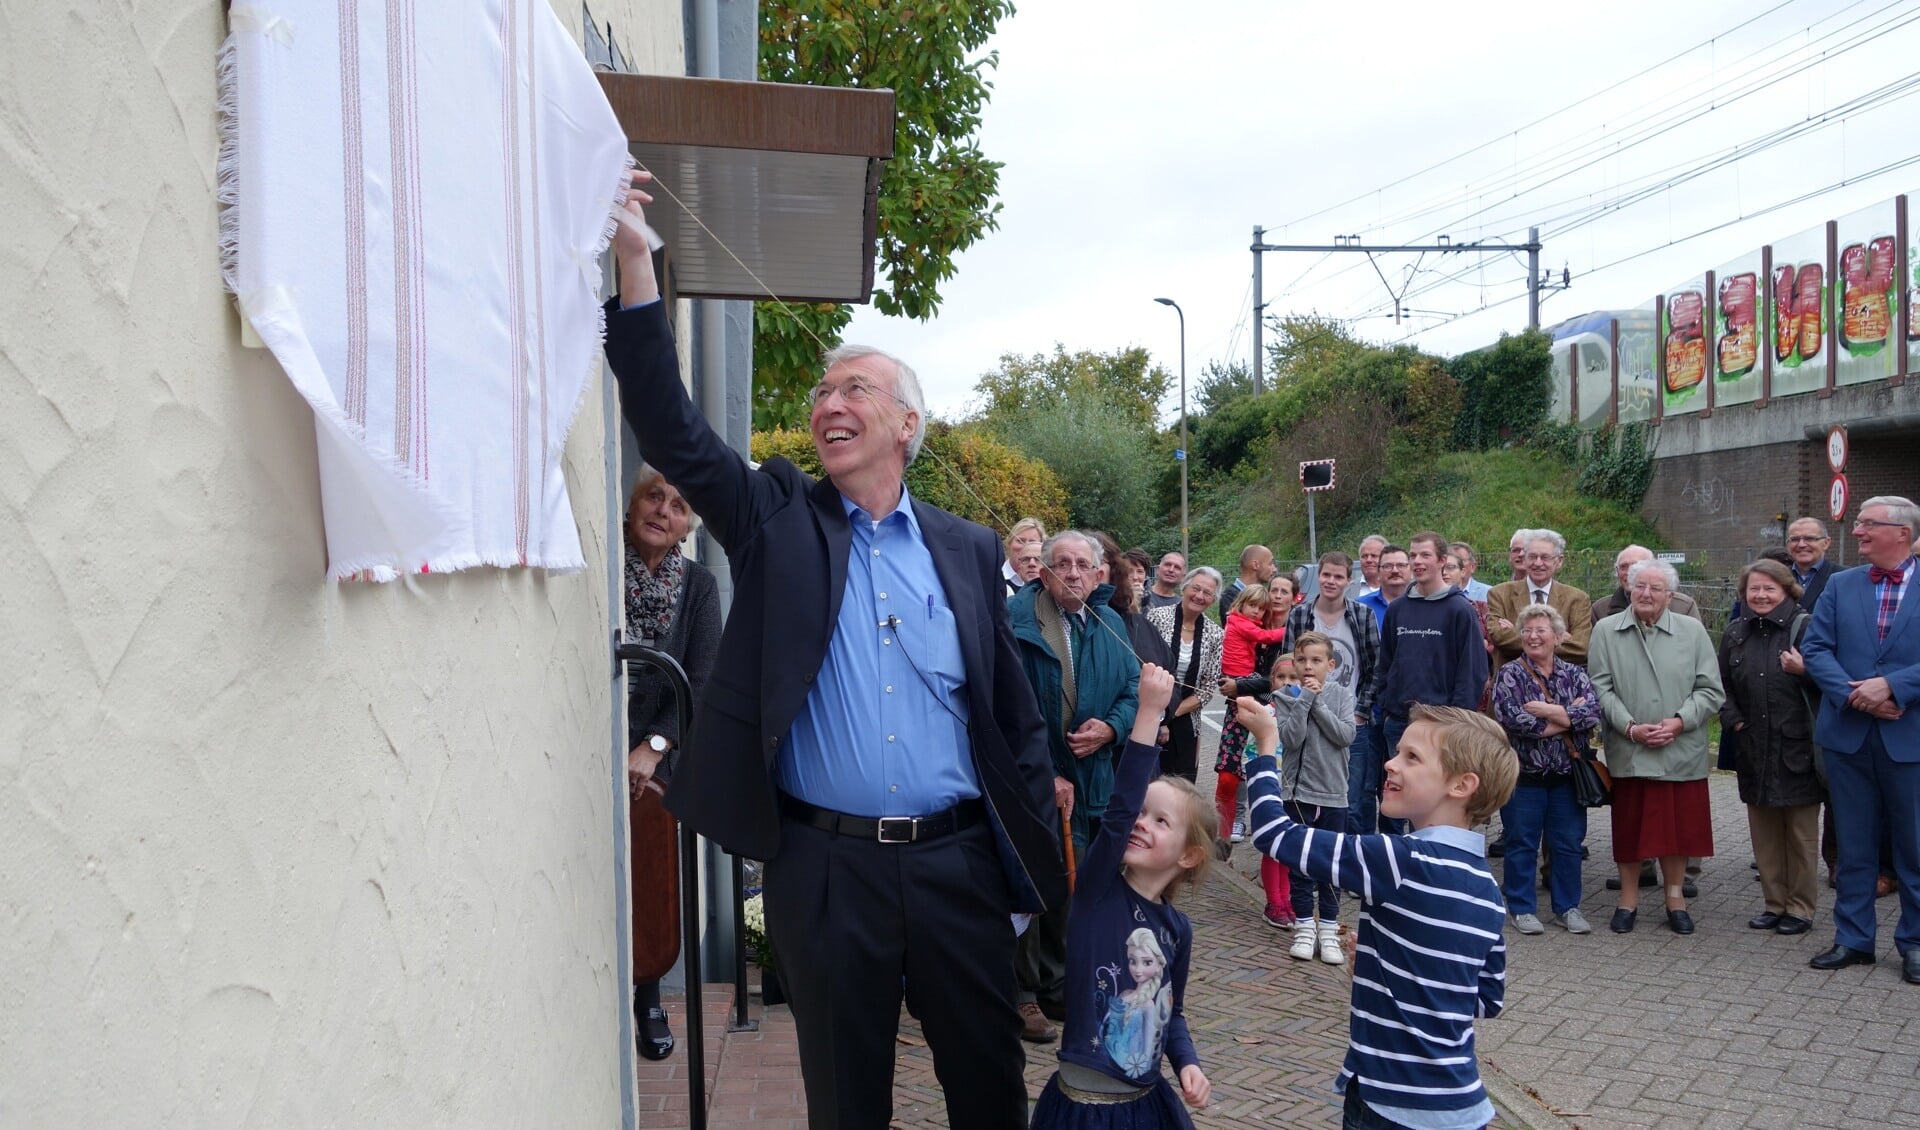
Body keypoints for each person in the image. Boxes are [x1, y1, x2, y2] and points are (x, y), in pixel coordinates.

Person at [605, 173, 1064, 1128]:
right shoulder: (777, 517)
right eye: (822, 390)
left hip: (956, 868)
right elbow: (671, 429)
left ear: (907, 424)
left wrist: (1012, 880)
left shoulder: (970, 552)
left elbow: (1012, 721)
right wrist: (636, 259)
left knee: (989, 1092)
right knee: (846, 1107)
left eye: (855, 386)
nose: (828, 401)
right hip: (826, 871)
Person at [1245, 700, 1517, 1130]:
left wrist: (1265, 745)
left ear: (1462, 785)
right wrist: (1389, 965)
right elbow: (1487, 999)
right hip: (1461, 1107)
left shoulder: (1398, 860)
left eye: (1412, 757)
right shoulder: (1488, 890)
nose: (1390, 762)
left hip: (1392, 1105)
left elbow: (1273, 833)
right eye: (1398, 752)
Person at [1030, 665, 1213, 1127]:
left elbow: (1173, 1014)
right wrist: (1148, 711)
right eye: (1141, 812)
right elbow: (1118, 811)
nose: (1140, 822)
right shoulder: (1097, 893)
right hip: (1083, 1108)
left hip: (1147, 1106)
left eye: (1161, 821)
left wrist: (1187, 1063)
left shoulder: (1178, 930)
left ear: (1189, 856)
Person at [1010, 530, 1142, 1042]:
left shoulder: (1109, 624)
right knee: (1032, 887)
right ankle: (1022, 995)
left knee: (1076, 885)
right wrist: (1047, 771)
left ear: (1097, 573)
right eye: (1061, 564)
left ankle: (1060, 986)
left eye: (1082, 565)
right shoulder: (1017, 622)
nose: (1072, 572)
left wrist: (1112, 727)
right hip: (1031, 781)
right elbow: (1007, 708)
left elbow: (1132, 688)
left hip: (1094, 781)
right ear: (1042, 572)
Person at [621, 466, 722, 1062]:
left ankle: (649, 992)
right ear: (632, 505)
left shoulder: (699, 585)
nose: (664, 510)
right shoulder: (606, 568)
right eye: (653, 496)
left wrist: (652, 748)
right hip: (588, 744)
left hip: (658, 758)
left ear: (688, 525)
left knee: (650, 873)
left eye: (679, 504)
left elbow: (703, 682)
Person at [1801, 496, 1920, 984]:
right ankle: (1853, 939)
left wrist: (1894, 687)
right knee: (1853, 846)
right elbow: (1815, 647)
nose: (1858, 531)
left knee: (1913, 847)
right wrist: (1859, 697)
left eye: (1869, 524)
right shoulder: (1841, 584)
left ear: (1904, 534)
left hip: (1908, 738)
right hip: (1848, 738)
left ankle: (1913, 942)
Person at [1589, 559, 1725, 937]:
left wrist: (1680, 721)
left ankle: (1675, 898)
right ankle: (1627, 899)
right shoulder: (1606, 630)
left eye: (1656, 588)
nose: (1646, 594)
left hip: (1680, 749)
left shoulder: (1692, 630)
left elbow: (1711, 689)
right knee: (1630, 828)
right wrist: (1630, 728)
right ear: (1629, 589)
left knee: (1679, 831)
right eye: (1639, 586)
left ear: (1670, 595)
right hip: (1630, 749)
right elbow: (1599, 687)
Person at [1718, 559, 1823, 938]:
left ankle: (1800, 907)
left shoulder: (1806, 627)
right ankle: (1773, 904)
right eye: (1753, 589)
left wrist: (1805, 670)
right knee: (1764, 835)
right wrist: (1734, 721)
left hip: (1797, 748)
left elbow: (1832, 678)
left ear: (1786, 591)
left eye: (1769, 589)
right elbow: (1722, 685)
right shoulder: (1735, 633)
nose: (1760, 595)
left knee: (1800, 835)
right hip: (1752, 746)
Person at [1489, 604, 1601, 936]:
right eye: (1527, 630)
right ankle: (1522, 908)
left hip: (1568, 777)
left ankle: (1568, 907)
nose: (1533, 636)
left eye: (1541, 630)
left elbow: (1594, 714)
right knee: (1521, 842)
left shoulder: (1575, 673)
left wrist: (1549, 711)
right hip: (1524, 777)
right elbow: (1514, 720)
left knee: (1567, 843)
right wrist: (1567, 716)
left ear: (1558, 637)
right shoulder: (1511, 674)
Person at [1374, 532, 1489, 835]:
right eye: (1413, 556)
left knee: (1435, 801)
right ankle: (1395, 867)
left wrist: (1454, 721)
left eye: (1425, 555)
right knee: (1396, 798)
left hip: (1442, 728)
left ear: (1442, 561)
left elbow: (1473, 672)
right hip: (1399, 723)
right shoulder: (1398, 608)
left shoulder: (1459, 610)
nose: (1417, 562)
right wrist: (1386, 703)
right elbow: (1385, 663)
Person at [1269, 632, 1355, 961]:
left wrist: (1317, 701)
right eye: (1302, 660)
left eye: (1316, 661)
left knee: (1330, 866)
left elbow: (1344, 735)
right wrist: (1304, 698)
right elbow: (1291, 739)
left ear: (1330, 665)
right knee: (1300, 866)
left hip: (1333, 795)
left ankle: (1329, 929)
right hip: (1297, 794)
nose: (1308, 667)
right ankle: (1305, 926)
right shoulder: (1287, 695)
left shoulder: (1342, 695)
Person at [1215, 584, 1289, 853]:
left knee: (1268, 769)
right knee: (1228, 775)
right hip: (1239, 704)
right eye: (1275, 591)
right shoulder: (1248, 627)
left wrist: (1240, 685)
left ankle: (1265, 828)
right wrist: (1232, 684)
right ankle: (1223, 831)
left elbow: (1278, 681)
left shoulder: (1286, 635)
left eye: (1285, 593)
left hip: (1266, 707)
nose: (1259, 610)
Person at [1146, 567, 1223, 782]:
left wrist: (1170, 714)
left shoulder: (1215, 633)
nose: (1199, 596)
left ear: (1213, 600)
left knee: (1181, 789)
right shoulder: (1157, 617)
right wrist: (1159, 716)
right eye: (1196, 588)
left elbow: (1207, 689)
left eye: (1207, 593)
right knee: (1147, 785)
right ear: (1185, 587)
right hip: (1148, 713)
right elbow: (1142, 665)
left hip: (1186, 719)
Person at [1486, 529, 1593, 668]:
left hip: (1559, 684)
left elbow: (1580, 648)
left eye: (1545, 557)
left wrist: (1519, 632)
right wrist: (1556, 637)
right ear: (1524, 559)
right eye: (1532, 557)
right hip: (1511, 684)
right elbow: (1500, 637)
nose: (1537, 563)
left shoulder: (1578, 599)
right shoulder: (1499, 594)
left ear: (1559, 561)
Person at [1590, 545, 1702, 624]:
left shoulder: (1684, 607)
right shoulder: (1600, 609)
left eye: (1636, 566)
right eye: (1623, 567)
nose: (1629, 572)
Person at [1784, 516, 1839, 611]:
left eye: (1809, 539)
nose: (1801, 544)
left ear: (1826, 543)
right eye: (1795, 539)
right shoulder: (1777, 578)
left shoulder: (1844, 577)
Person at [1218, 544, 1276, 622]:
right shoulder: (1229, 597)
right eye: (1270, 564)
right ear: (1255, 565)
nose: (1275, 569)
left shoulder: (1265, 595)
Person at [1003, 516, 1047, 594]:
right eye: (1020, 541)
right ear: (1009, 543)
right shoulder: (996, 577)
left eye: (1032, 542)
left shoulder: (1049, 582)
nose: (1025, 547)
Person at [1346, 535, 1387, 602]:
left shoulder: (1398, 587)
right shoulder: (1347, 590)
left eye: (1374, 556)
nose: (1368, 560)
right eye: (1364, 556)